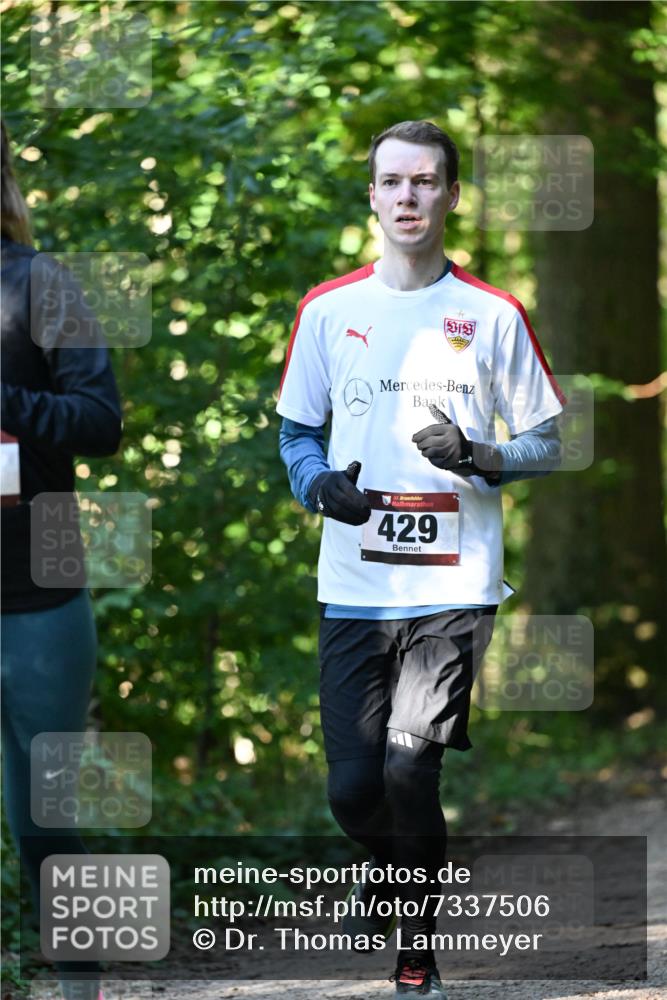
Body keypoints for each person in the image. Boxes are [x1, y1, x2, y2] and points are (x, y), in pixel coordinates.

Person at [277, 120, 565, 998]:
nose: (406, 197)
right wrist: (320, 487)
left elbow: (548, 442)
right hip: (354, 584)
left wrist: (481, 453)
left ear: (448, 195)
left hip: (451, 585)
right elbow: (296, 434)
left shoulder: (491, 314)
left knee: (410, 766)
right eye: (391, 183)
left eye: (424, 182)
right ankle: (395, 866)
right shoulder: (329, 311)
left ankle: (415, 959)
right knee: (354, 793)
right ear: (370, 196)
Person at [1, 119, 122, 1000]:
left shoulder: (39, 283)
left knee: (46, 817)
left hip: (35, 592)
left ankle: (80, 988)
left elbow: (101, 421)